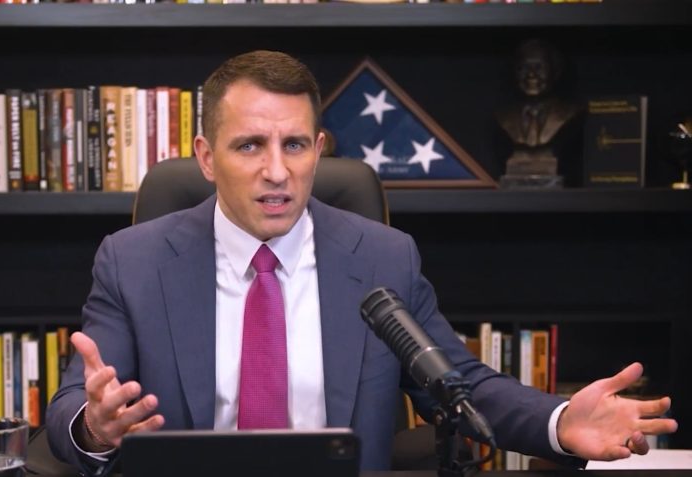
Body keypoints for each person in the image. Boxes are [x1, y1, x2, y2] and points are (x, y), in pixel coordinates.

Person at [47, 50, 677, 476]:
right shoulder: (134, 261)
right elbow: (73, 404)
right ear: (207, 158)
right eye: (250, 146)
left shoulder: (382, 257)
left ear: (319, 149)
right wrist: (95, 428)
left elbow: (460, 385)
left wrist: (560, 421)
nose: (277, 170)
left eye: (295, 144)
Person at [496, 38, 582, 182]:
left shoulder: (569, 113)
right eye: (524, 68)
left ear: (555, 72)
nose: (531, 75)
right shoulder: (503, 117)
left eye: (539, 67)